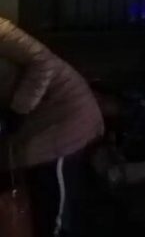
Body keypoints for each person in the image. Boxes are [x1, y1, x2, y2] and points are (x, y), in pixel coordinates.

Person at [0, 18, 104, 237]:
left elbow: (42, 62)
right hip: (34, 121)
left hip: (63, 116)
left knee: (49, 204)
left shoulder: (2, 31)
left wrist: (18, 110)